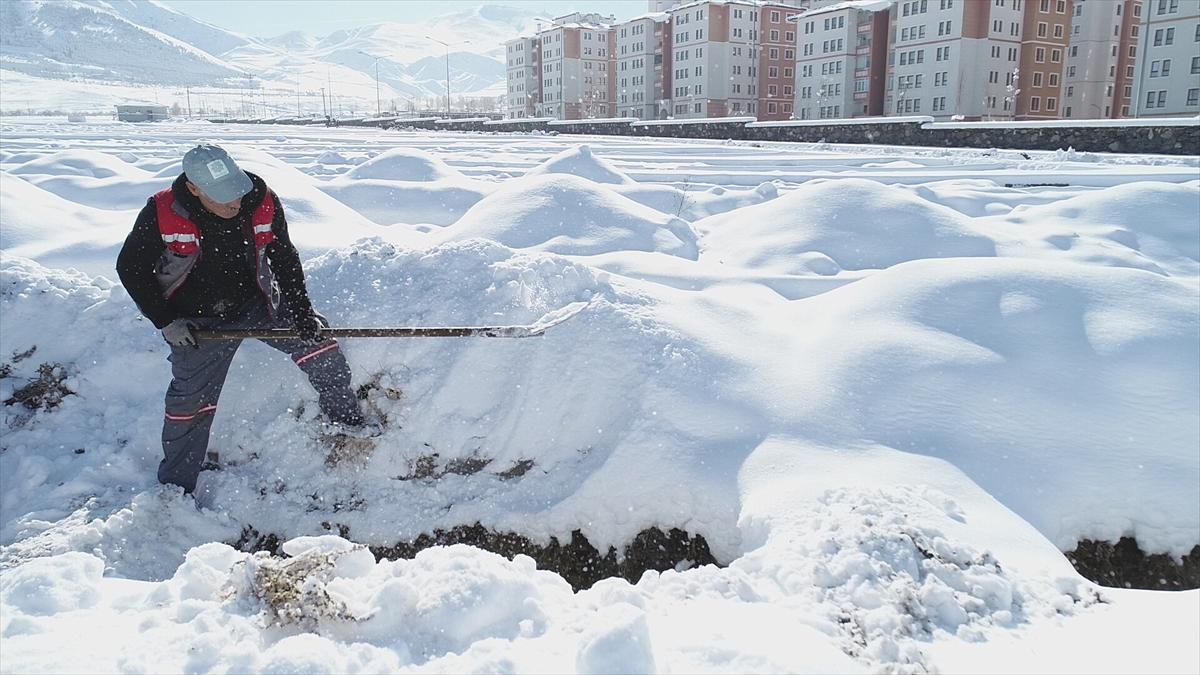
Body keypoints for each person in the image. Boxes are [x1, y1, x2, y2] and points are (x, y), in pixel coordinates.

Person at [117, 144, 367, 494]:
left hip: (257, 303)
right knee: (189, 404)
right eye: (223, 197)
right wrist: (167, 321)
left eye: (236, 191)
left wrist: (301, 312)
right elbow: (130, 268)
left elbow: (284, 257)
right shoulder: (162, 211)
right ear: (193, 189)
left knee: (320, 348)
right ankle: (176, 488)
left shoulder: (261, 200)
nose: (235, 203)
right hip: (196, 322)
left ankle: (348, 424)